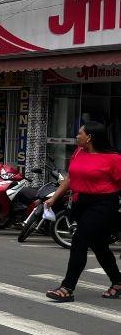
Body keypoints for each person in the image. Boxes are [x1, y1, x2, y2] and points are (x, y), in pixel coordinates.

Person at [44, 121, 121, 302]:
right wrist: (54, 197)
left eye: (80, 133)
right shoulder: (79, 152)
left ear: (89, 137)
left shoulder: (114, 159)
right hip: (81, 203)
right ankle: (118, 282)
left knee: (79, 241)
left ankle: (67, 287)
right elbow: (70, 178)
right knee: (100, 247)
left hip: (103, 204)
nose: (76, 136)